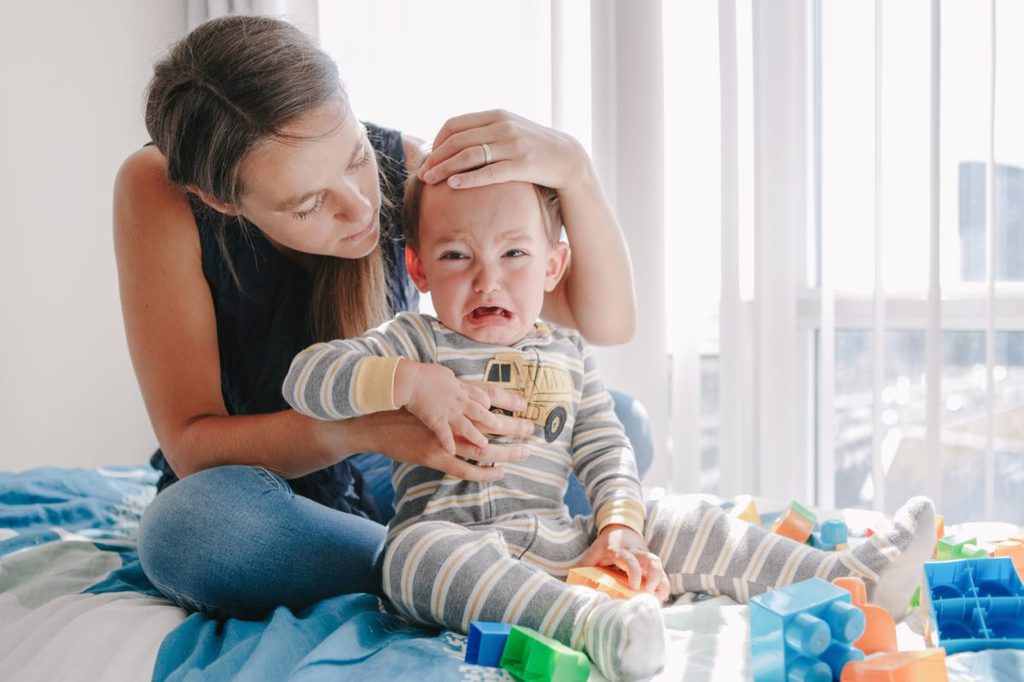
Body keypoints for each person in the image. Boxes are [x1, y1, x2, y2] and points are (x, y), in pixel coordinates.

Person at [282, 172, 937, 681]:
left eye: (514, 252)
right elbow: (306, 379)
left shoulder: (565, 355)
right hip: (455, 541)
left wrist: (620, 528)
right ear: (418, 268)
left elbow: (604, 448)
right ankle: (591, 626)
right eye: (456, 256)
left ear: (552, 267)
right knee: (408, 554)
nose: (488, 279)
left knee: (678, 515)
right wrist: (407, 382)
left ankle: (846, 575)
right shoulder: (412, 340)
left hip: (559, 539)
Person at [114, 14, 647, 621]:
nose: (362, 206)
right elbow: (190, 445)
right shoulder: (157, 189)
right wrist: (365, 427)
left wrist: (574, 170)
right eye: (309, 203)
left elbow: (603, 322)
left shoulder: (415, 169)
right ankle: (433, 564)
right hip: (271, 486)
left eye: (355, 155)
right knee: (191, 530)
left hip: (394, 477)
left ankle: (454, 566)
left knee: (623, 424)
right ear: (219, 200)